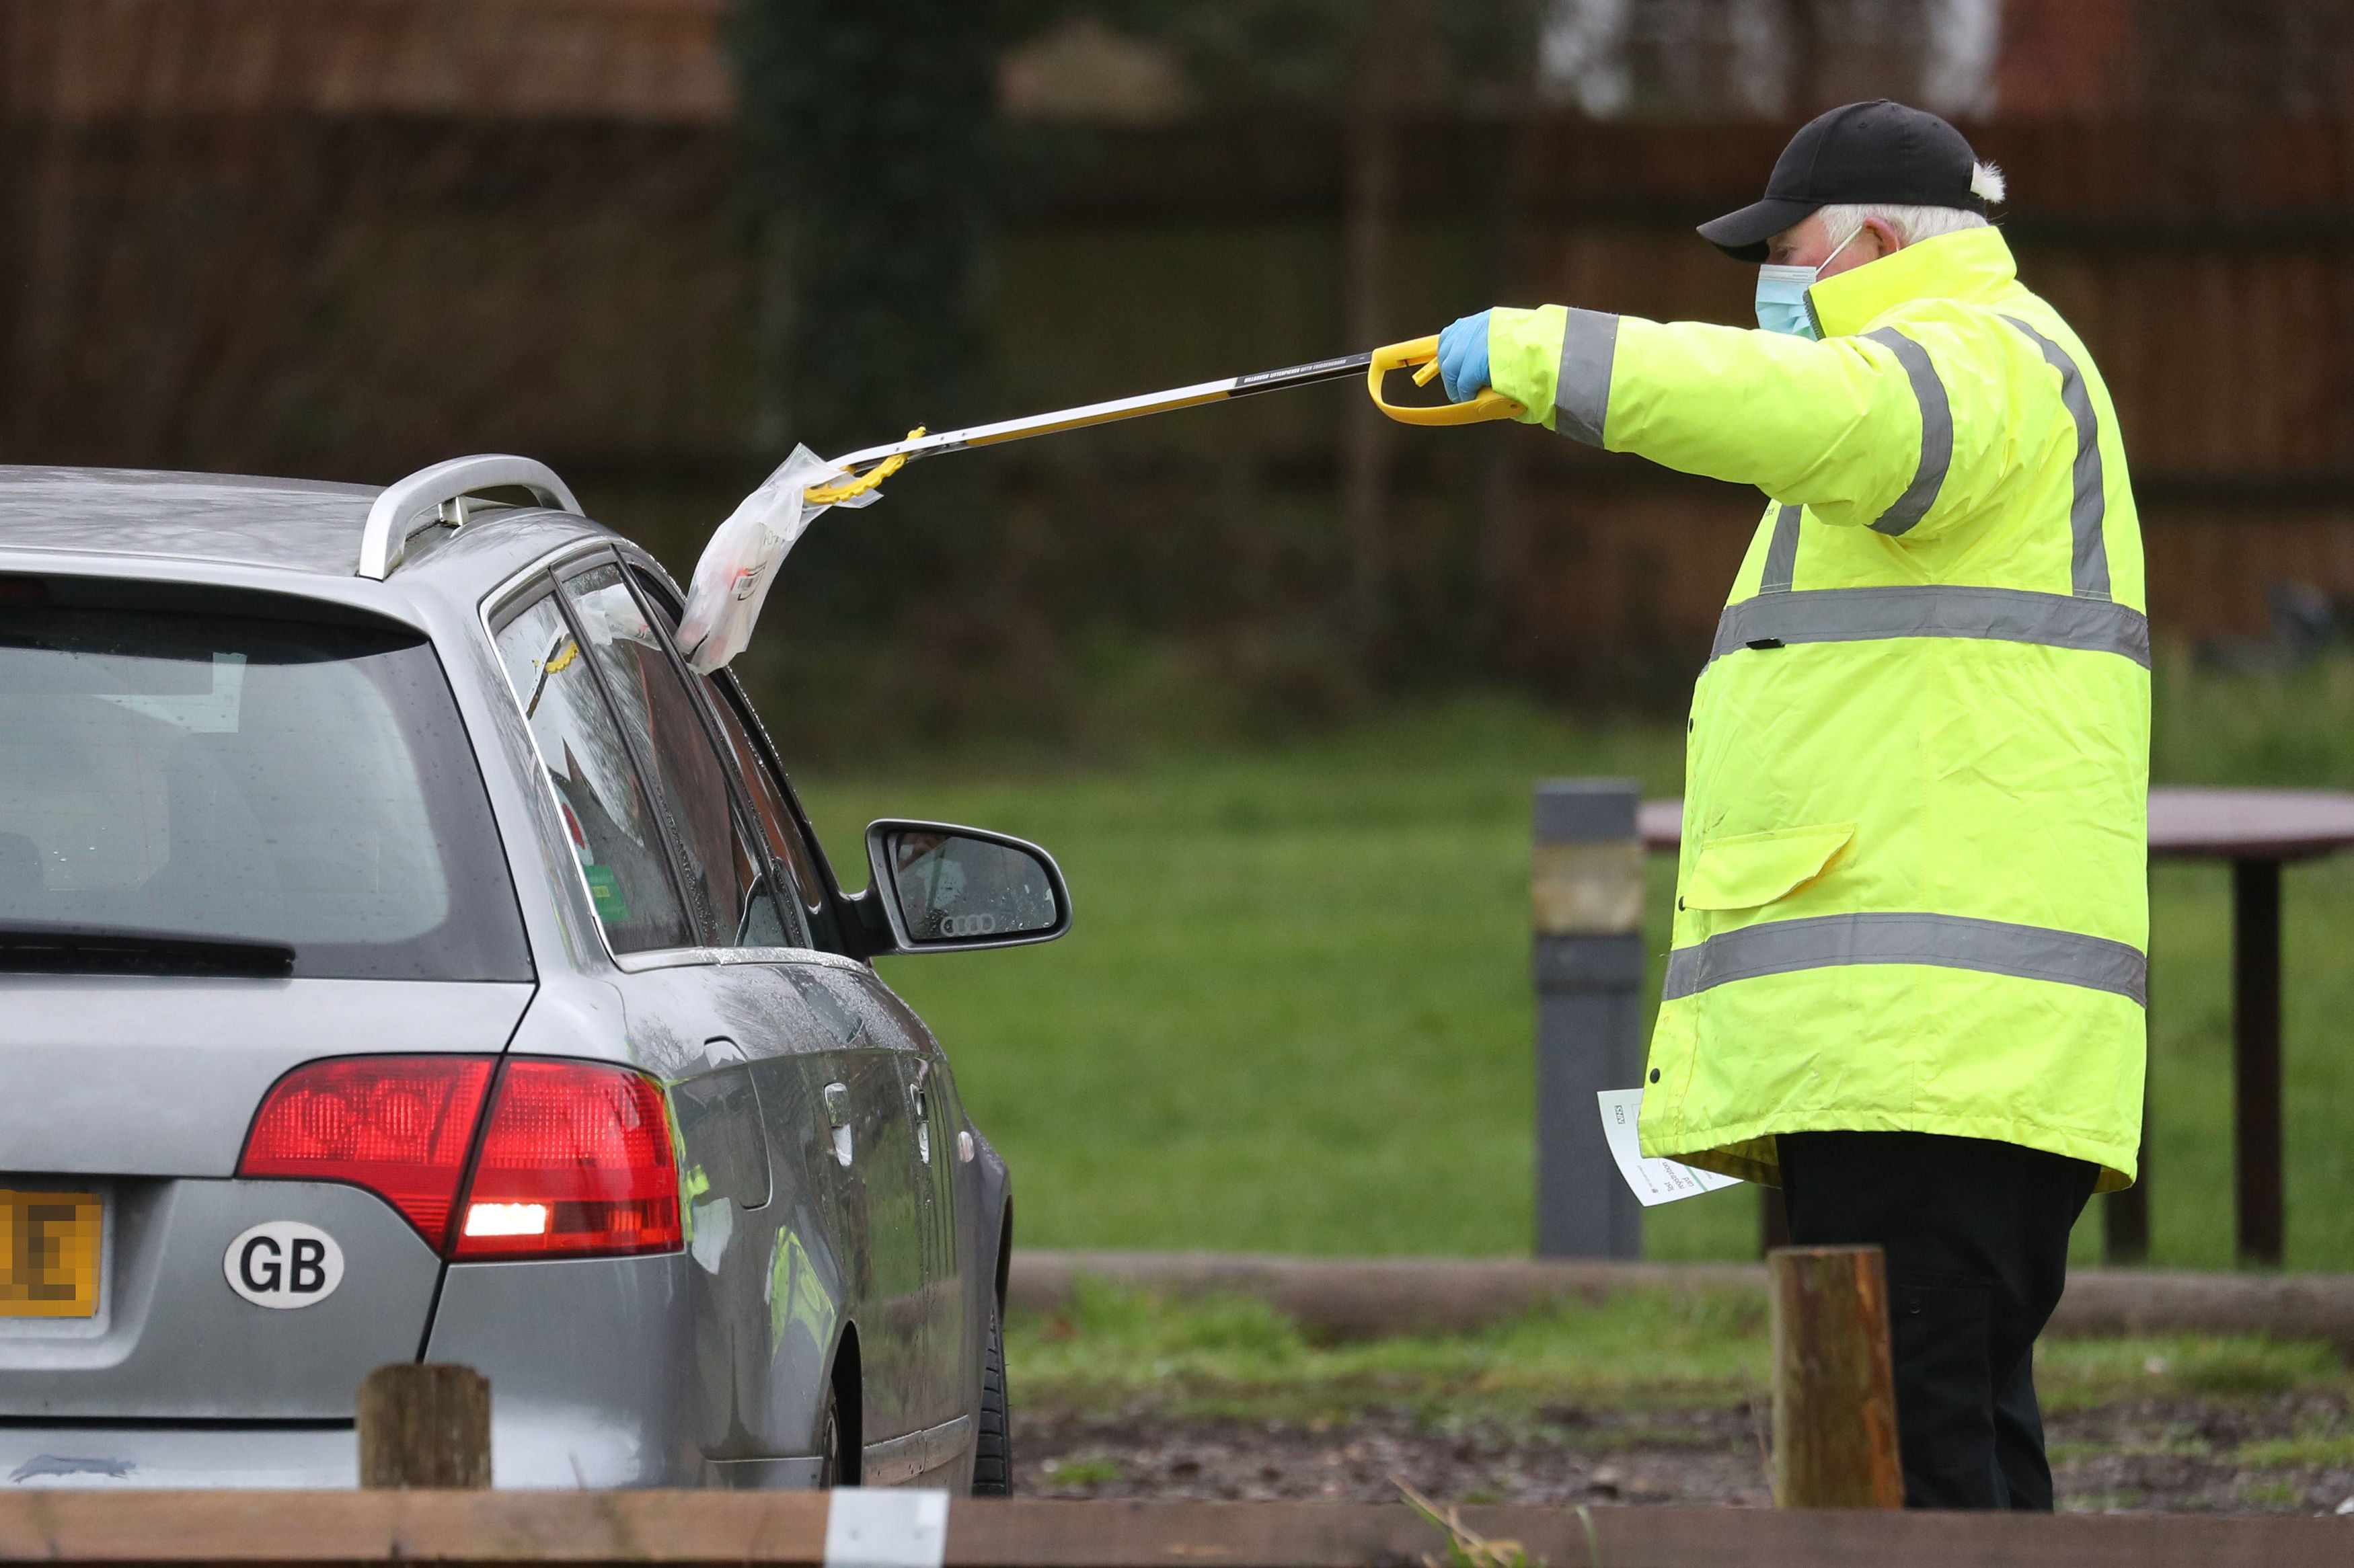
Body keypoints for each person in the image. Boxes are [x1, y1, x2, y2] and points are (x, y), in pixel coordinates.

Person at [1436, 100, 2148, 1510]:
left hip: (1923, 1048)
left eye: (1790, 249)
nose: (1769, 283)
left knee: (1910, 1472)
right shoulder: (1981, 372)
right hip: (1922, 1050)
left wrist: (1542, 354)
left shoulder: (1971, 360)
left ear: (1878, 240)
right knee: (1953, 1449)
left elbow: (1811, 413)